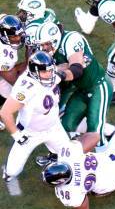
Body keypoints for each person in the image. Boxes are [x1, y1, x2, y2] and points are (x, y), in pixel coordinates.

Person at [35, 21, 113, 155]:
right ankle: (61, 157)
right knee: (65, 125)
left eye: (47, 44)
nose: (44, 48)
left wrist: (57, 73)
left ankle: (106, 162)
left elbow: (76, 70)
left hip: (98, 86)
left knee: (95, 130)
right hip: (80, 89)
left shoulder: (71, 40)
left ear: (55, 39)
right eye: (41, 45)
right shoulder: (49, 50)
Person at [0, 51, 72, 182]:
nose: (49, 74)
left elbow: (63, 69)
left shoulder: (49, 72)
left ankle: (54, 156)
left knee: (70, 157)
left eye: (51, 70)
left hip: (54, 127)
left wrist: (75, 65)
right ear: (34, 72)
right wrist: (17, 136)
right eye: (45, 72)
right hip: (30, 133)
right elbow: (5, 112)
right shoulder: (26, 87)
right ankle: (9, 171)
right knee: (12, 171)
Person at [0, 15, 27, 130]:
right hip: (3, 67)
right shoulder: (5, 55)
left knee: (6, 89)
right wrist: (29, 61)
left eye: (19, 34)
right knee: (10, 88)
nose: (18, 38)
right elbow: (14, 80)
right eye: (13, 36)